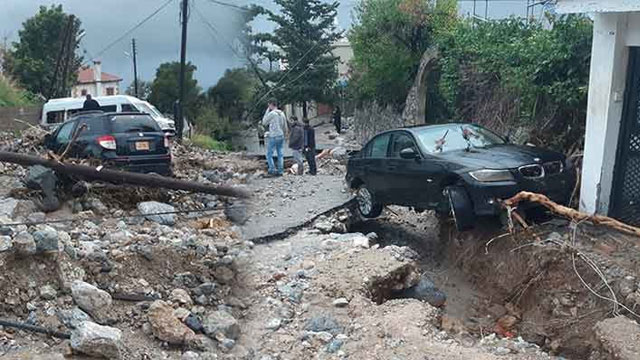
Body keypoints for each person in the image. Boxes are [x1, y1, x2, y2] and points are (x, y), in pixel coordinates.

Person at [262, 99, 287, 176]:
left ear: (271, 105)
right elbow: (284, 126)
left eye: (268, 105)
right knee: (280, 154)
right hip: (281, 135)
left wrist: (267, 111)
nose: (268, 107)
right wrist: (285, 134)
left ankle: (272, 170)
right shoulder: (282, 113)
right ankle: (280, 171)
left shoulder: (272, 114)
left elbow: (264, 122)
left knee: (269, 154)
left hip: (274, 136)